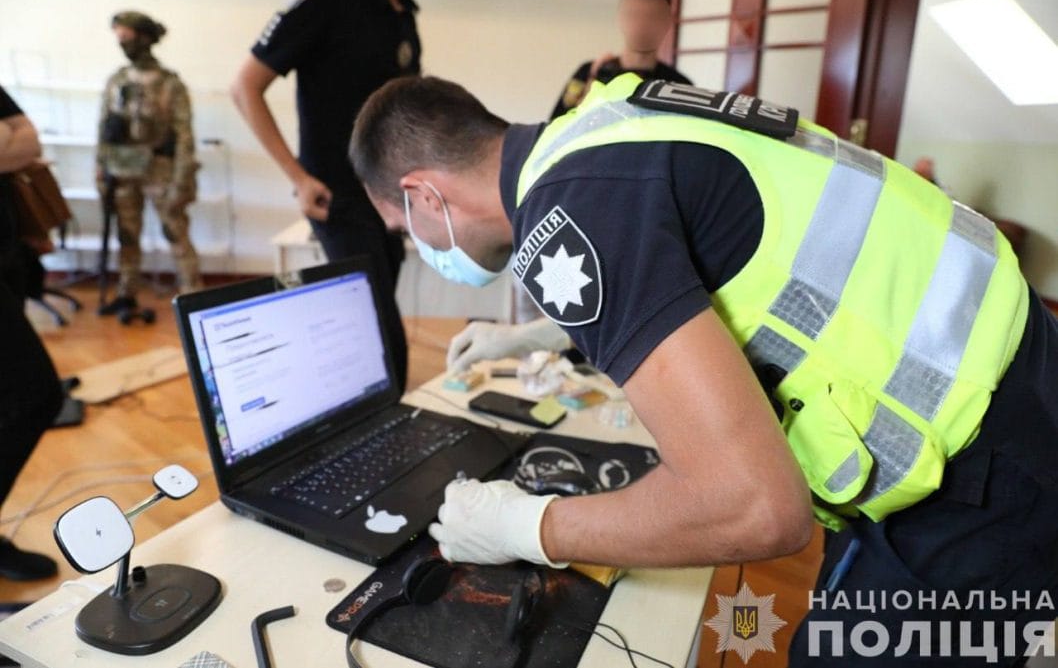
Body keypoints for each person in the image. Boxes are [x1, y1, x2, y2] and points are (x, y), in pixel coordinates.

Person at [349, 74, 1058, 666]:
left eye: (404, 228)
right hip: (1007, 362)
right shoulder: (611, 117)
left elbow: (757, 507)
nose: (419, 247)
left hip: (986, 475)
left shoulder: (565, 214)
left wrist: (526, 524)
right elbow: (720, 248)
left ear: (424, 196)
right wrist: (540, 334)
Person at [231, 0, 423, 390]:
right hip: (339, 198)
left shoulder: (402, 13)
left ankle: (373, 432)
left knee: (374, 327)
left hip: (386, 197)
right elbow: (245, 86)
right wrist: (298, 177)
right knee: (380, 335)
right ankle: (382, 438)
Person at [96, 11, 202, 314]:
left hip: (160, 170)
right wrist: (100, 170)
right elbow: (103, 129)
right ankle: (126, 292)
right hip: (121, 169)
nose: (122, 43)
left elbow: (184, 136)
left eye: (127, 36)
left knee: (176, 233)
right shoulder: (116, 82)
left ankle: (193, 296)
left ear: (144, 38)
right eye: (119, 37)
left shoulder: (170, 85)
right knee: (126, 236)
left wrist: (182, 179)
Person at [0, 84, 63, 580]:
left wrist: (11, 137)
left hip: (8, 253)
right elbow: (11, 139)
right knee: (35, 393)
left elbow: (28, 142)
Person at [549, 0, 691, 120]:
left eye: (652, 16)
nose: (641, 25)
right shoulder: (589, 72)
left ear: (668, 20)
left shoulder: (679, 85)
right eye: (633, 14)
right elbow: (553, 127)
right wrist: (588, 93)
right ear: (620, 16)